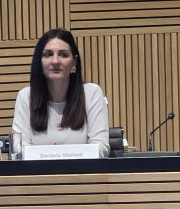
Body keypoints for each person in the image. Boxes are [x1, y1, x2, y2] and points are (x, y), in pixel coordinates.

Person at [12, 28, 110, 157]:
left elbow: (101, 148)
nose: (55, 61)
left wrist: (56, 154)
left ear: (74, 61)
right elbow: (19, 149)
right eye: (48, 54)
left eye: (63, 55)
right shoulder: (25, 96)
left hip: (83, 170)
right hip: (38, 171)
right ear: (39, 61)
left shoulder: (92, 94)